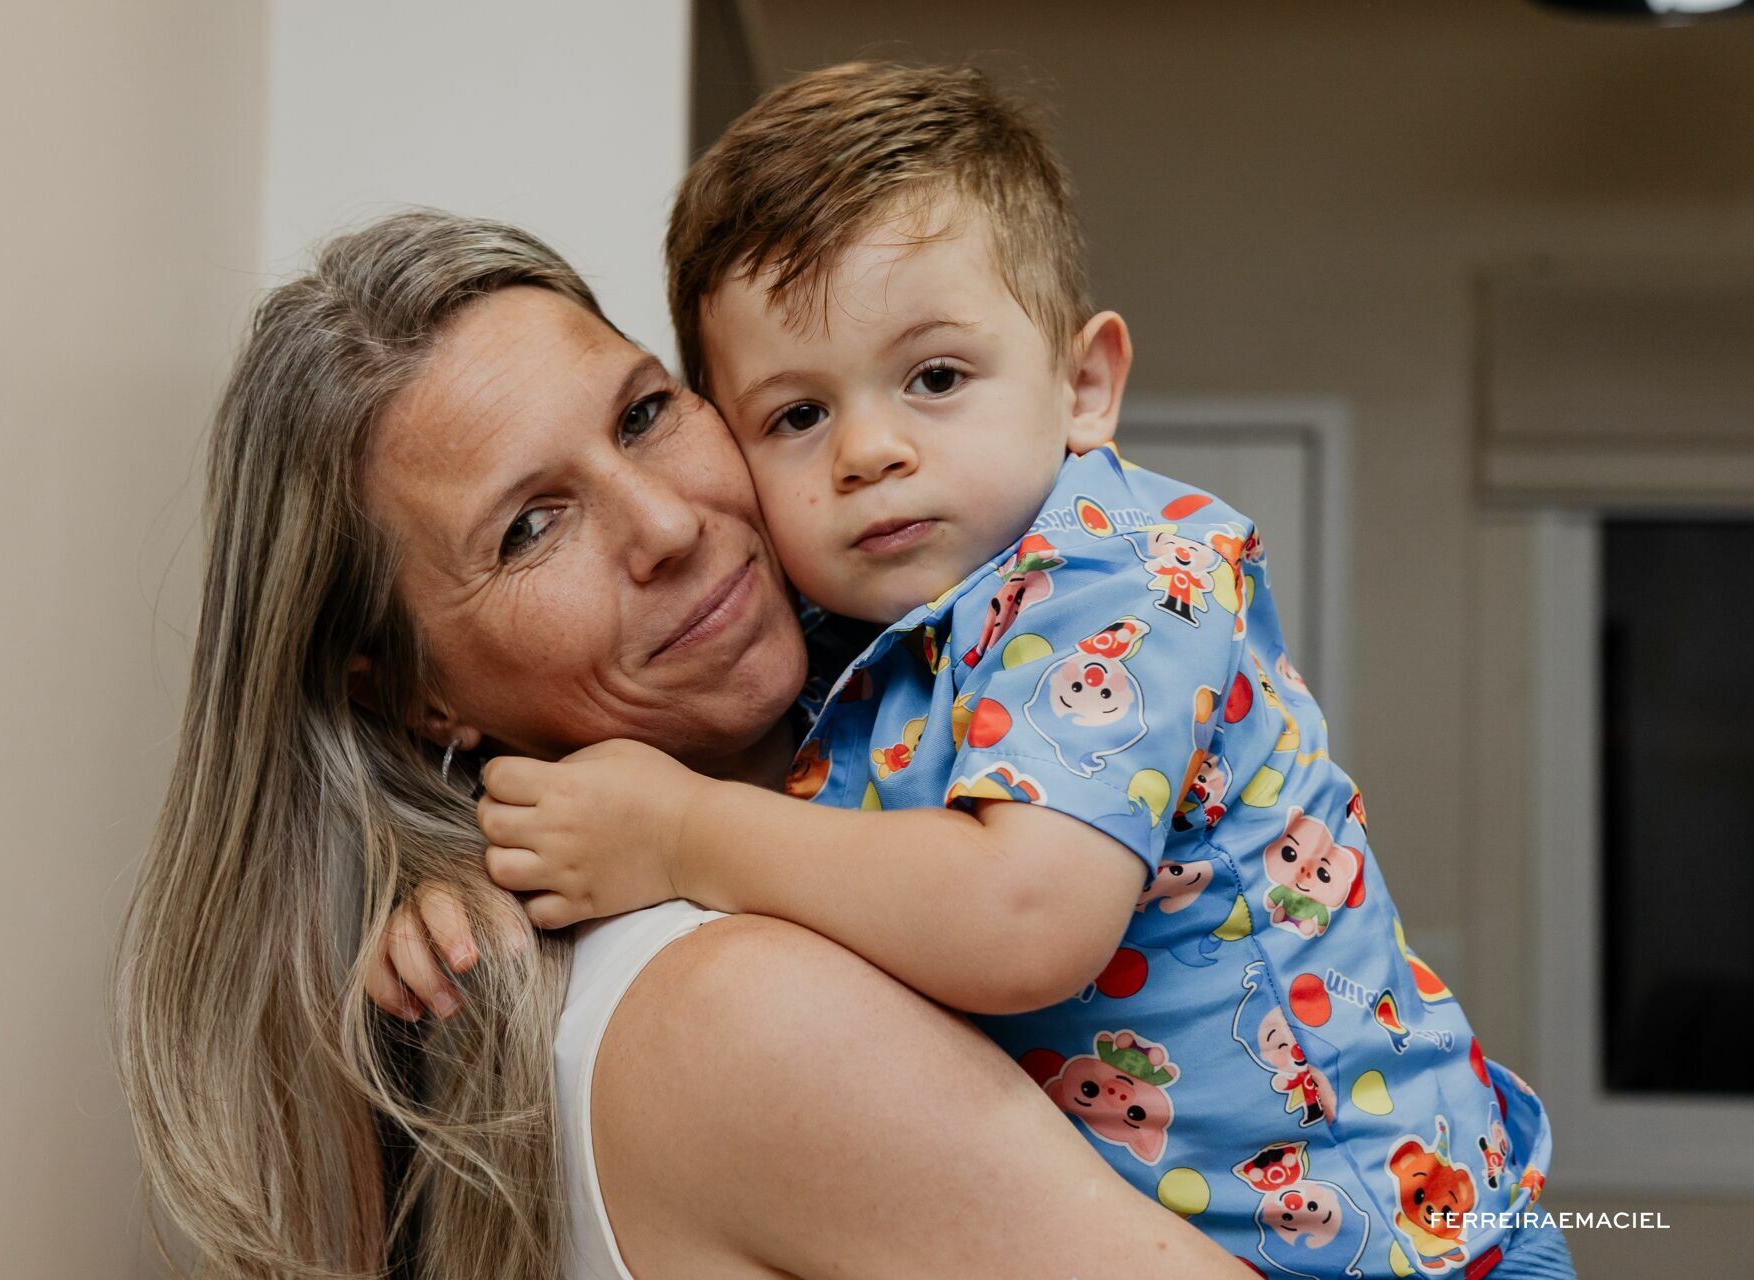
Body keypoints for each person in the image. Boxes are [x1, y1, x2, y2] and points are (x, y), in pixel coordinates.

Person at [383, 64, 1573, 1278]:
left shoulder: (1126, 576)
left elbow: (1022, 917)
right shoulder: (852, 627)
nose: (871, 450)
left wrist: (683, 833)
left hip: (1421, 1238)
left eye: (936, 377)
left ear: (1084, 385)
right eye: (796, 416)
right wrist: (472, 881)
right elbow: (636, 805)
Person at [112, 208, 1244, 1280]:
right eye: (528, 527)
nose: (666, 525)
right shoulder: (740, 1012)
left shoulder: (923, 688)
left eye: (644, 414)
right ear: (411, 694)